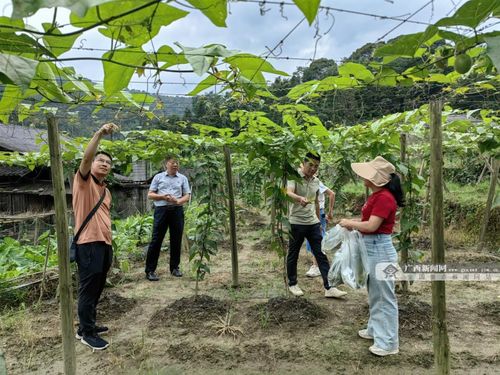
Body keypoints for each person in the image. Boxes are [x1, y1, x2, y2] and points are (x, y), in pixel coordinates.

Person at [339, 156, 404, 357]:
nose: (363, 176)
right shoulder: (377, 195)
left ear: (377, 179)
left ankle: (389, 343)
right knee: (376, 293)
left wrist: (350, 223)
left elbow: (372, 226)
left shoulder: (384, 197)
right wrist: (354, 224)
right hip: (373, 249)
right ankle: (376, 330)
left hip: (381, 251)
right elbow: (369, 221)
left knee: (385, 296)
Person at [73, 123, 119, 351]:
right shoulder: (83, 182)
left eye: (108, 163)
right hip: (88, 244)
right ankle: (86, 333)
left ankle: (87, 324)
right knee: (88, 288)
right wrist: (99, 133)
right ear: (92, 164)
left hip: (104, 244)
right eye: (100, 160)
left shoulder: (106, 191)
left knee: (98, 287)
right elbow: (86, 159)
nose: (104, 164)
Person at [286, 152, 347, 298]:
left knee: (321, 253)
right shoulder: (294, 177)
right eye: (311, 165)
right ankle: (293, 284)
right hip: (296, 222)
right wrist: (299, 198)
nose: (313, 168)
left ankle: (329, 287)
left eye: (316, 166)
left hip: (312, 222)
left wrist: (319, 222)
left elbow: (316, 202)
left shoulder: (315, 181)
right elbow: (288, 192)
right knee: (293, 254)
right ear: (304, 163)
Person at [145, 156, 191, 281]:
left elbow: (187, 196)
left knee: (176, 239)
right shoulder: (158, 177)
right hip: (161, 211)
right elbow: (150, 194)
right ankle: (150, 270)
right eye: (172, 162)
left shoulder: (183, 178)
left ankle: (175, 268)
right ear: (166, 164)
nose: (175, 164)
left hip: (177, 210)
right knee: (156, 240)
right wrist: (163, 197)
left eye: (177, 162)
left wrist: (178, 201)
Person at [305, 180, 335, 277]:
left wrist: (330, 212)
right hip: (311, 212)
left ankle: (316, 266)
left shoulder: (317, 183)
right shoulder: (305, 183)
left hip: (318, 212)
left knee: (317, 239)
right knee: (313, 238)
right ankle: (318, 265)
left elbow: (332, 194)